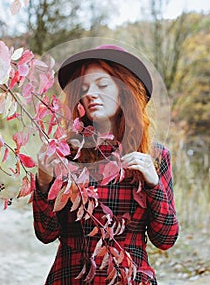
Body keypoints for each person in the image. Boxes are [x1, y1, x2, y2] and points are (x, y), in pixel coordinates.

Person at [32, 45, 179, 284]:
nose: (90, 94)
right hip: (71, 278)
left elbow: (166, 239)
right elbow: (46, 234)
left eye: (102, 85)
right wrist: (44, 180)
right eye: (84, 88)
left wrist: (153, 183)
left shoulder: (155, 156)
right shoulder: (65, 154)